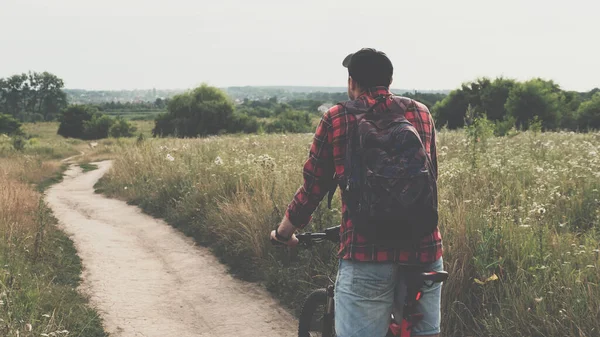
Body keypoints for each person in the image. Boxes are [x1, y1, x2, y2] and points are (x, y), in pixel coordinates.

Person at [270, 48, 444, 337]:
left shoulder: (337, 118)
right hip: (424, 250)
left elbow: (313, 187)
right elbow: (431, 179)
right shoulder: (421, 114)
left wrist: (285, 232)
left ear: (352, 82)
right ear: (390, 80)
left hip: (367, 252)